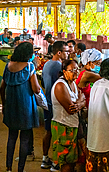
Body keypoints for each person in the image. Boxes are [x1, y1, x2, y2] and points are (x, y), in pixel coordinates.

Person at [0, 42, 41, 172]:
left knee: (11, 137)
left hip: (11, 105)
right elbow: (36, 89)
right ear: (29, 55)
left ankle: (8, 167)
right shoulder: (29, 67)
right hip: (26, 107)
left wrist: (4, 103)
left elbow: (2, 87)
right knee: (24, 138)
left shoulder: (8, 66)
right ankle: (20, 169)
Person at [51, 59, 86, 172]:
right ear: (64, 71)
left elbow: (82, 100)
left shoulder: (73, 84)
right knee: (65, 161)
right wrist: (81, 102)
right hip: (63, 126)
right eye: (72, 70)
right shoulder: (60, 86)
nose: (75, 72)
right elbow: (71, 109)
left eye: (77, 69)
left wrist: (80, 103)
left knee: (72, 160)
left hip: (74, 126)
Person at [41, 41, 70, 170]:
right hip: (56, 103)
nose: (69, 53)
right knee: (58, 134)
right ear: (59, 53)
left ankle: (45, 157)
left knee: (49, 131)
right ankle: (56, 162)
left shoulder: (47, 64)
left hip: (47, 102)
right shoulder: (58, 67)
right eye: (66, 51)